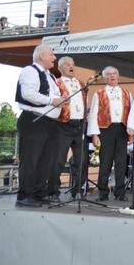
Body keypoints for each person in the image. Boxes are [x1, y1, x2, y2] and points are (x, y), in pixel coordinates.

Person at [15, 44, 64, 207]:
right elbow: (28, 94)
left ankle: (38, 193)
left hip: (49, 122)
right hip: (34, 121)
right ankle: (24, 195)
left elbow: (52, 95)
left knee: (46, 160)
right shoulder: (30, 71)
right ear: (41, 56)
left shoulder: (50, 76)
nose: (54, 58)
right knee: (30, 159)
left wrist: (61, 101)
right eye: (51, 54)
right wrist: (52, 101)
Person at [87, 66, 134, 201]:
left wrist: (131, 133)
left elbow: (132, 113)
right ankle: (103, 193)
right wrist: (94, 134)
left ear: (118, 76)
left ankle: (120, 193)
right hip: (105, 129)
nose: (112, 76)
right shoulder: (99, 93)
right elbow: (93, 114)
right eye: (109, 74)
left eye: (114, 73)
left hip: (122, 129)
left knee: (121, 163)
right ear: (104, 77)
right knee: (105, 162)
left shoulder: (127, 93)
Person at [48, 56, 88, 201]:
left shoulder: (81, 83)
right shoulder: (56, 82)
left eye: (73, 64)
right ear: (60, 68)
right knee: (58, 160)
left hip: (79, 125)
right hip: (62, 125)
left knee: (81, 160)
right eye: (67, 65)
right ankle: (53, 192)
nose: (71, 67)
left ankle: (78, 191)